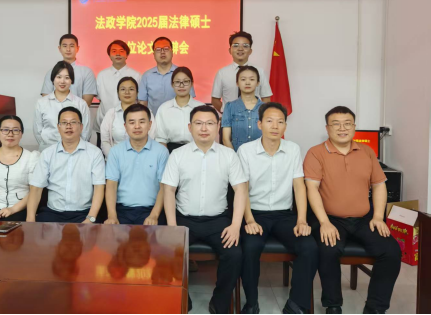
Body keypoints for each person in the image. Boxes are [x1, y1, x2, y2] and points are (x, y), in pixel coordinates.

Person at [304, 106, 401, 315]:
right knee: (328, 249)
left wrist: (378, 217)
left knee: (391, 251)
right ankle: (333, 305)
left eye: (347, 124)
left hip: (364, 218)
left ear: (354, 127)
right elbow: (311, 189)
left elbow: (379, 186)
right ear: (327, 128)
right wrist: (324, 222)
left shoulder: (367, 152)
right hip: (330, 218)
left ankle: (375, 307)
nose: (342, 128)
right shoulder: (315, 153)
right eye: (336, 124)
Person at [162, 105, 248, 314]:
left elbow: (240, 190)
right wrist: (173, 228)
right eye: (198, 123)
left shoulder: (229, 155)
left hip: (218, 221)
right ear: (189, 127)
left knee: (234, 254)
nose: (204, 128)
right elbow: (169, 191)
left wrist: (235, 225)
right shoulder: (177, 155)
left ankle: (220, 301)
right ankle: (183, 299)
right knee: (167, 252)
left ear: (218, 127)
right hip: (184, 220)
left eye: (210, 123)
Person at [238, 103, 318, 315]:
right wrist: (249, 220)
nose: (275, 126)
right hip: (255, 214)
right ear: (259, 124)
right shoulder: (246, 151)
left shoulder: (293, 149)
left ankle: (296, 304)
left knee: (309, 247)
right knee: (249, 247)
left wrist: (302, 220)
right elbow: (242, 189)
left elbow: (299, 186)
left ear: (285, 126)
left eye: (280, 122)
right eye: (269, 121)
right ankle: (251, 303)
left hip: (284, 215)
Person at [27, 107, 105, 224]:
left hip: (84, 213)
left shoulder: (95, 153)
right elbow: (36, 188)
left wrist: (90, 218)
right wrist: (30, 219)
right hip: (53, 212)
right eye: (64, 123)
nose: (68, 126)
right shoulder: (47, 154)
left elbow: (99, 188)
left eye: (73, 122)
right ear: (58, 127)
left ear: (81, 127)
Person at [105, 104, 169, 226]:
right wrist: (112, 215)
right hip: (122, 210)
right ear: (125, 126)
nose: (137, 126)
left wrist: (154, 215)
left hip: (152, 210)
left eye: (142, 122)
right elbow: (111, 185)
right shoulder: (115, 151)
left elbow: (164, 187)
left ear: (150, 125)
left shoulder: (161, 151)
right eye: (132, 122)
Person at [0, 115, 40, 222]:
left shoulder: (31, 158)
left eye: (15, 130)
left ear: (21, 134)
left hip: (20, 210)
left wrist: (12, 209)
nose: (10, 134)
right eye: (5, 130)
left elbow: (34, 191)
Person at [34, 61, 91, 151]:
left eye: (67, 77)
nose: (62, 81)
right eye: (59, 77)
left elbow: (85, 132)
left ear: (72, 80)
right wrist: (48, 149)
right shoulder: (42, 103)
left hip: (74, 150)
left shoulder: (81, 104)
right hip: (48, 149)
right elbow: (38, 131)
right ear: (53, 79)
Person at [94, 40, 142, 147]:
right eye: (114, 51)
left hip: (130, 125)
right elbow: (100, 98)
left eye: (121, 51)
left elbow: (138, 99)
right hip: (104, 123)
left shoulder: (136, 75)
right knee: (104, 153)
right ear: (109, 56)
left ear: (127, 55)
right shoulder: (101, 75)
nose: (118, 54)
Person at [211, 31, 272, 113]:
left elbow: (266, 98)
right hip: (230, 119)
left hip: (254, 118)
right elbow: (215, 100)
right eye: (236, 45)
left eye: (245, 46)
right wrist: (227, 114)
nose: (240, 49)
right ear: (230, 50)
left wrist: (259, 115)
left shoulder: (260, 72)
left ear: (250, 51)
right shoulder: (222, 73)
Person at [101, 77, 156, 157]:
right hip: (115, 158)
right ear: (118, 93)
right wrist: (114, 159)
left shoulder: (147, 112)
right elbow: (105, 141)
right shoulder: (111, 114)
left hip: (142, 158)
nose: (127, 92)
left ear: (137, 93)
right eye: (123, 89)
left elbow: (151, 138)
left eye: (131, 89)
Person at [139, 37, 196, 116]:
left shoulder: (182, 74)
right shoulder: (146, 76)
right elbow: (143, 103)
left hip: (180, 118)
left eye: (166, 49)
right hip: (154, 120)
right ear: (153, 54)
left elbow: (191, 100)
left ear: (172, 52)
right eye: (158, 49)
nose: (162, 52)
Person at [155, 67, 205, 154]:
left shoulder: (202, 108)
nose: (181, 85)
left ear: (192, 83)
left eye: (185, 81)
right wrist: (167, 158)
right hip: (170, 152)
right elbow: (160, 139)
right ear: (172, 84)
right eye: (177, 82)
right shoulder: (164, 108)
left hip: (198, 151)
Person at [40, 33, 97, 106]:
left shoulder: (87, 72)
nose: (68, 49)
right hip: (54, 113)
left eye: (72, 46)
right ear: (59, 49)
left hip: (78, 112)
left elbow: (86, 103)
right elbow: (46, 99)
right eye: (65, 46)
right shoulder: (51, 72)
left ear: (77, 48)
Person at [222, 66, 264, 152]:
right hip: (236, 156)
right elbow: (226, 139)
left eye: (252, 79)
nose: (247, 83)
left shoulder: (266, 108)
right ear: (237, 83)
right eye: (243, 79)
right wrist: (235, 158)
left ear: (257, 83)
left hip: (261, 157)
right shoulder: (230, 107)